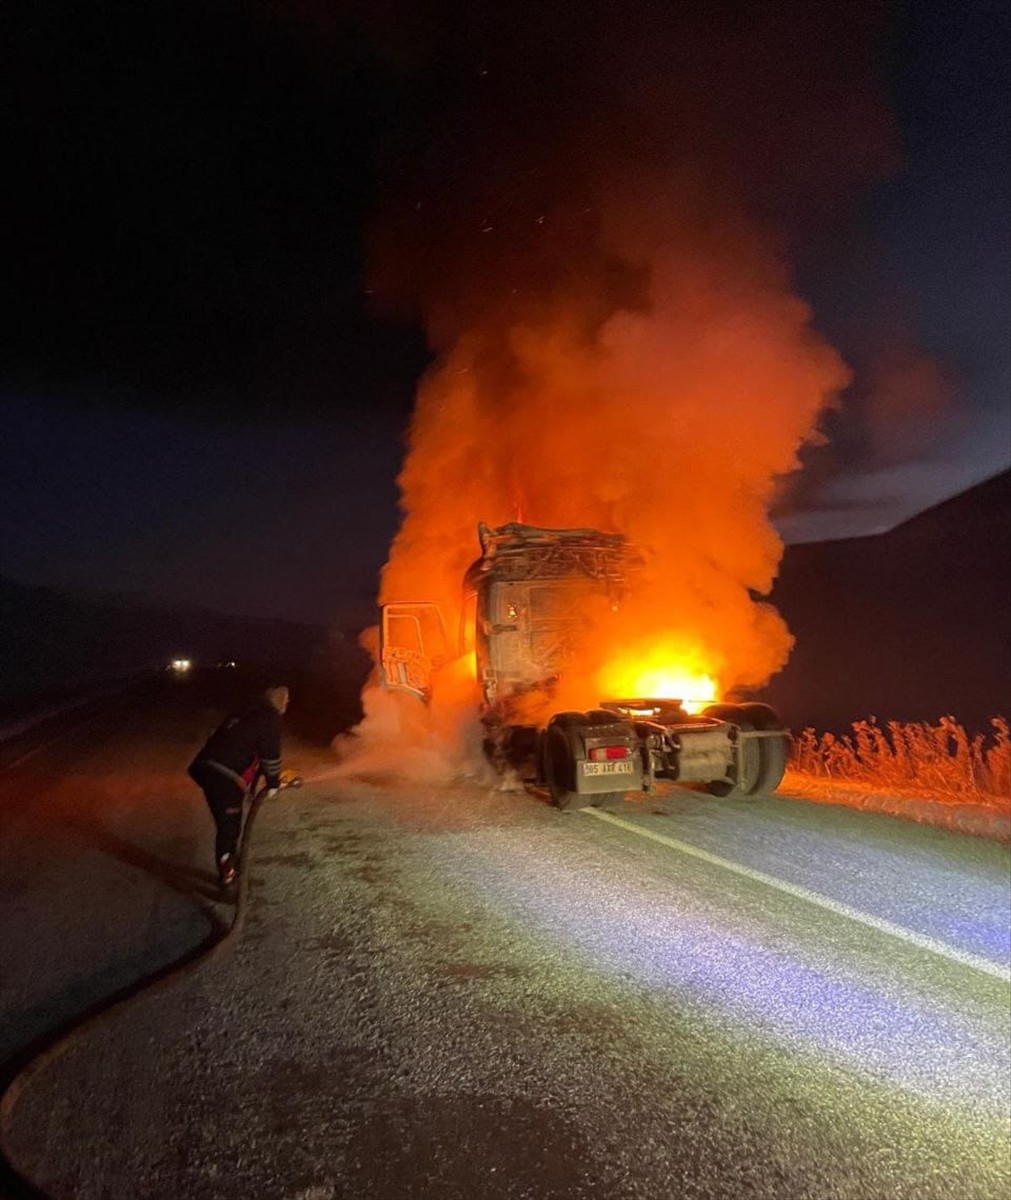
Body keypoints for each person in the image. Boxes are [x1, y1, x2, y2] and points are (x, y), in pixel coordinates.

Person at [189, 685, 289, 885]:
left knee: (227, 823)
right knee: (229, 827)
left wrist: (262, 783)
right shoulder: (270, 717)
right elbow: (270, 755)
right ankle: (227, 875)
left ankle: (230, 866)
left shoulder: (248, 711)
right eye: (286, 699)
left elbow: (251, 750)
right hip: (223, 776)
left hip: (205, 769)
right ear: (279, 699)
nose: (288, 703)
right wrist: (273, 784)